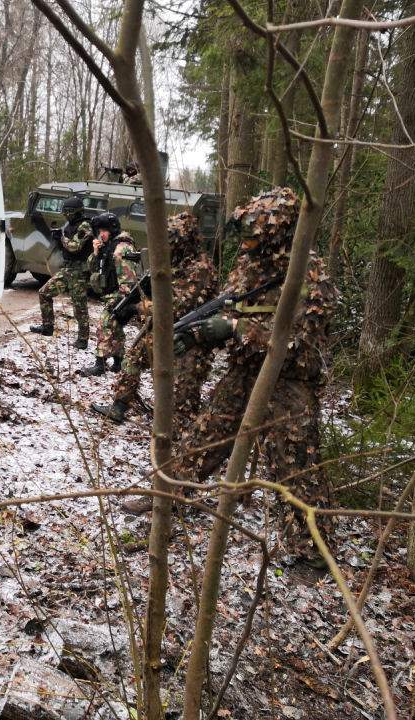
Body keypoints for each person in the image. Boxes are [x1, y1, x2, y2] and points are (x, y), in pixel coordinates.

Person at [126, 189, 337, 564]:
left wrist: (237, 328)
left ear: (279, 232)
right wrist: (196, 335)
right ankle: (165, 497)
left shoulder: (311, 274)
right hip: (244, 373)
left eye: (255, 235)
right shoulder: (251, 265)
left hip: (289, 386)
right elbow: (227, 308)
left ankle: (312, 555)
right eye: (245, 235)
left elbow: (303, 350)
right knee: (205, 434)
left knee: (295, 466)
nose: (247, 242)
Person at [91, 213, 218, 424]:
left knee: (184, 389)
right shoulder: (177, 264)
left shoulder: (199, 269)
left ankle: (181, 428)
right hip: (169, 328)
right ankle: (118, 407)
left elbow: (174, 306)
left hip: (195, 334)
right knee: (134, 357)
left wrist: (137, 307)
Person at [77, 212, 140, 377]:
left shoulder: (122, 247)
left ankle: (100, 364)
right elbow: (90, 268)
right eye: (99, 231)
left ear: (111, 230)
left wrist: (122, 300)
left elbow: (128, 277)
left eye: (103, 230)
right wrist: (96, 253)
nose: (101, 234)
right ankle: (119, 363)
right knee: (116, 329)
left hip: (120, 295)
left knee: (104, 326)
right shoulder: (108, 246)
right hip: (111, 294)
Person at [29, 197, 95, 348]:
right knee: (44, 292)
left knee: (79, 307)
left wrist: (62, 238)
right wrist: (58, 240)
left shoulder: (85, 226)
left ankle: (83, 339)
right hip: (68, 269)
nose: (66, 215)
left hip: (79, 272)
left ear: (77, 212)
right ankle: (47, 327)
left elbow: (74, 247)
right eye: (64, 212)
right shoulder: (70, 225)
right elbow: (65, 249)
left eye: (69, 212)